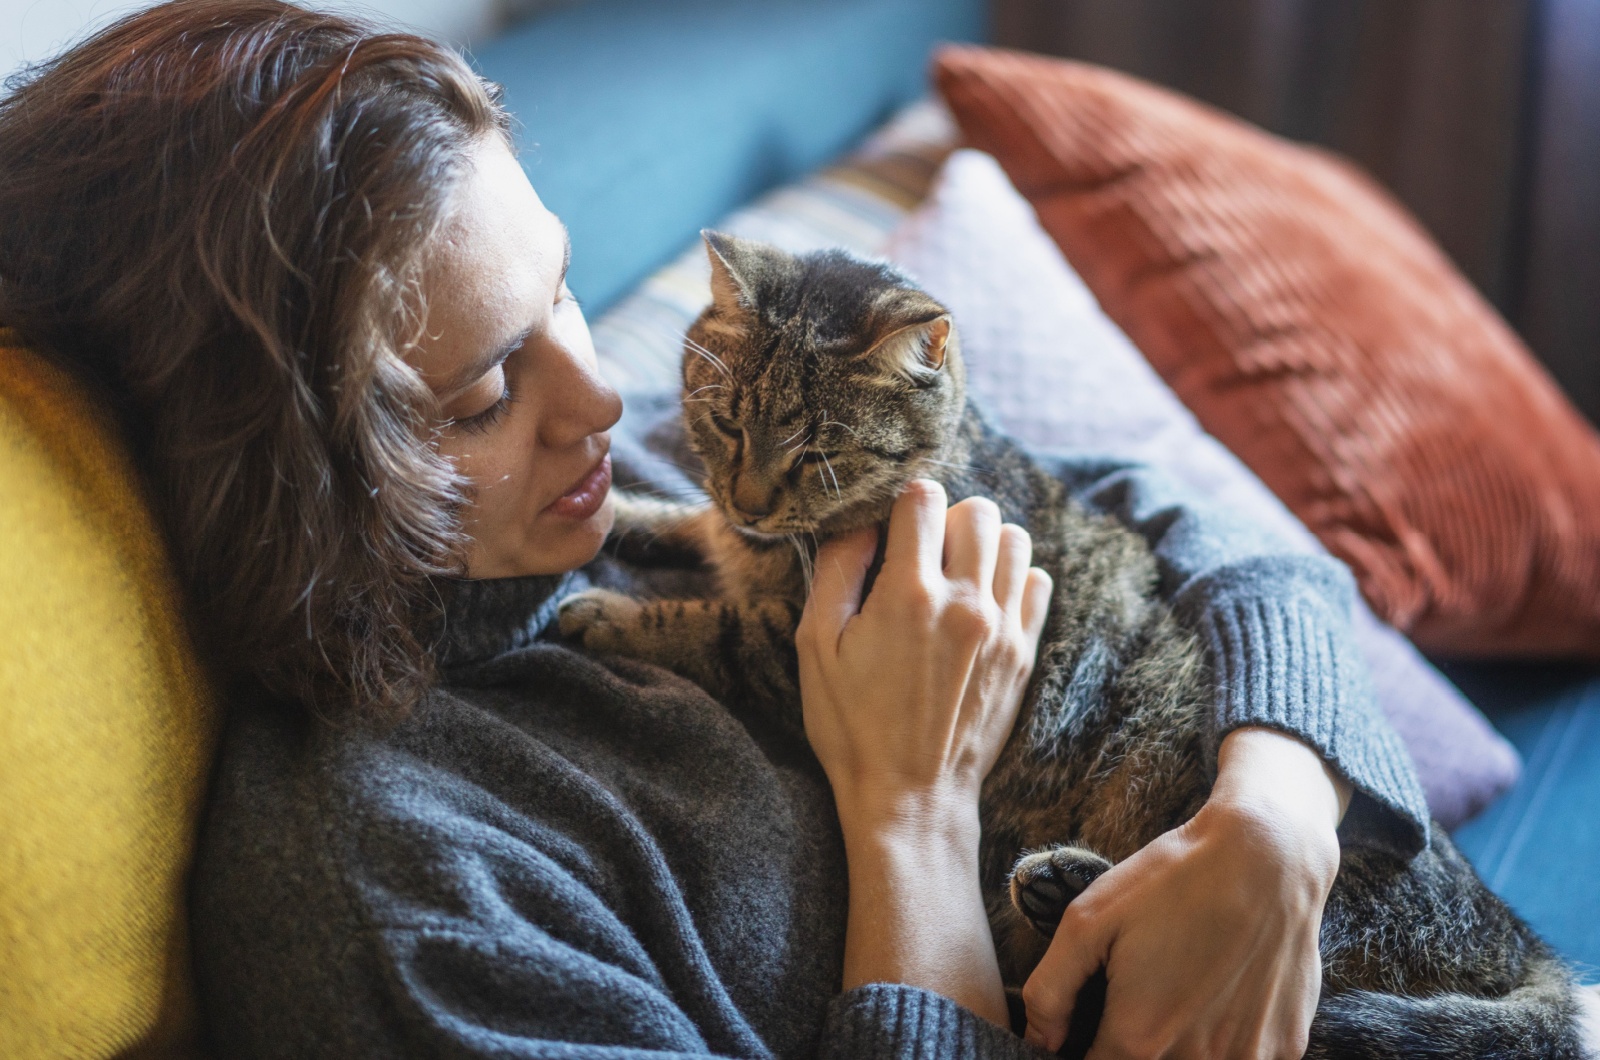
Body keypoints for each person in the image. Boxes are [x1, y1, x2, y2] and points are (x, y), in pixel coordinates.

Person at [0, 2, 1430, 1057]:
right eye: (487, 390)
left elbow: (1180, 513)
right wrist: (913, 815)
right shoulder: (401, 883)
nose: (606, 397)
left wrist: (1278, 812)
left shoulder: (573, 527)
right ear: (290, 484)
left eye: (560, 289)